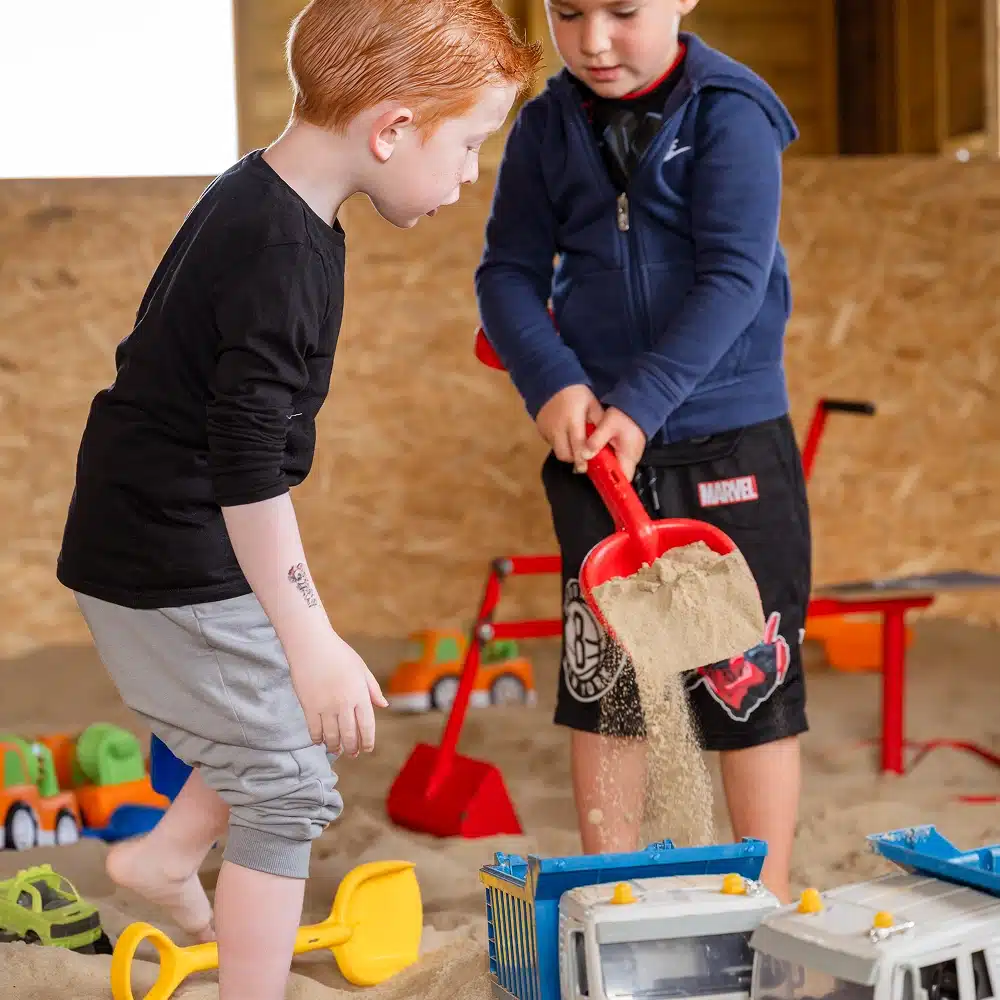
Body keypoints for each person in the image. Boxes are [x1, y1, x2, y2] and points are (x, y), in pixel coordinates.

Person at [55, 2, 539, 997]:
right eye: (469, 144)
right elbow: (246, 471)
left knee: (270, 730)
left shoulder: (268, 199)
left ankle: (164, 860)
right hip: (165, 549)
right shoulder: (278, 253)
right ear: (393, 127)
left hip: (159, 526)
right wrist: (311, 636)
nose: (467, 175)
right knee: (288, 784)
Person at [475, 0, 808, 902]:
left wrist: (644, 401)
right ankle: (612, 894)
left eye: (623, 10)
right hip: (600, 453)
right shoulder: (545, 127)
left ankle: (763, 900)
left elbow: (735, 275)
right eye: (567, 11)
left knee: (751, 681)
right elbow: (505, 273)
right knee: (607, 683)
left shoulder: (731, 112)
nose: (591, 40)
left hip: (729, 436)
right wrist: (551, 383)